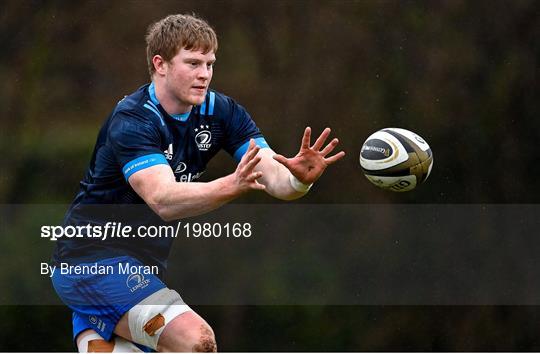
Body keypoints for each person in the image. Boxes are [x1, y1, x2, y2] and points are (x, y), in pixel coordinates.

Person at [51, 13, 345, 352]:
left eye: (209, 64)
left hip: (141, 268)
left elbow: (270, 173)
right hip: (91, 260)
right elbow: (163, 199)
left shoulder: (222, 112)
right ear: (160, 64)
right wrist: (231, 185)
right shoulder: (133, 120)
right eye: (192, 63)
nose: (204, 74)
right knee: (197, 342)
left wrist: (297, 180)